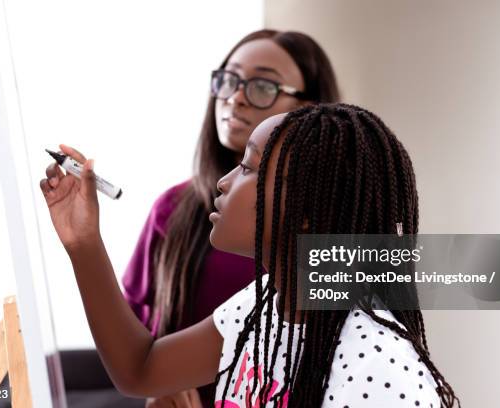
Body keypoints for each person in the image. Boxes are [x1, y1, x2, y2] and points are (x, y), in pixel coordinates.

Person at [39, 103, 460, 407]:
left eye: (249, 168)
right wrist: (84, 242)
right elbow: (141, 369)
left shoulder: (379, 367)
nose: (223, 182)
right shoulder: (264, 308)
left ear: (309, 211)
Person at [121, 29, 339, 406]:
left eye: (263, 86)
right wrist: (162, 385)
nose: (236, 97)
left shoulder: (337, 222)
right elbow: (136, 337)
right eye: (230, 79)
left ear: (312, 110)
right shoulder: (173, 209)